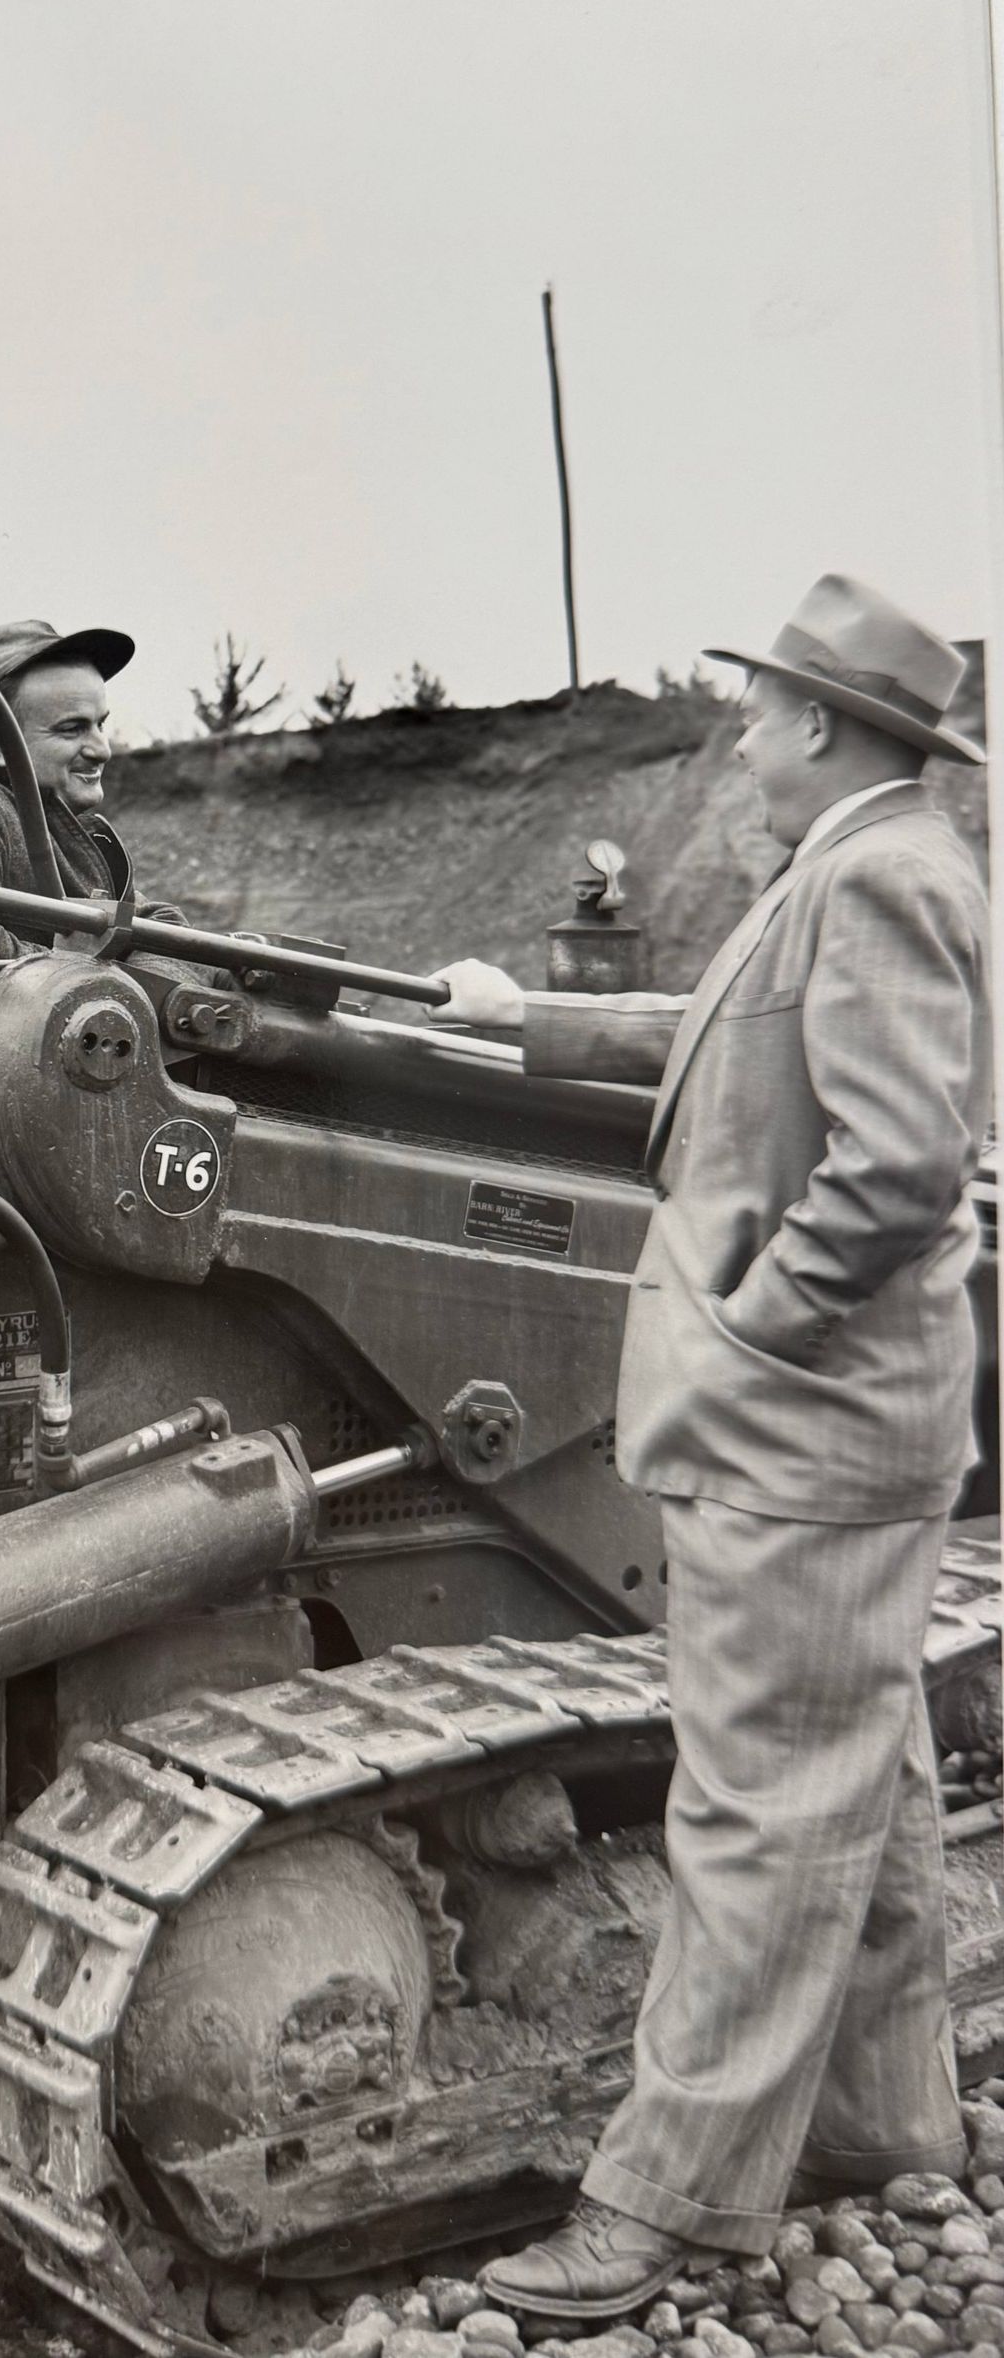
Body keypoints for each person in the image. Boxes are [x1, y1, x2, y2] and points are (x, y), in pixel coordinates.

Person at [427, 575, 991, 2322]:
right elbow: (723, 1045)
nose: (737, 735)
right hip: (832, 1434)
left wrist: (754, 1330)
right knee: (859, 1776)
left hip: (803, 1434)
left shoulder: (885, 876)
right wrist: (513, 1014)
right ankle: (888, 2123)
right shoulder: (843, 866)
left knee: (753, 1807)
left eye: (756, 709)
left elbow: (898, 1168)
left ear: (824, 723)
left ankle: (663, 2205)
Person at [0, 619, 180, 1004]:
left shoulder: (44, 815)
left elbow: (158, 923)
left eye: (100, 724)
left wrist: (134, 989)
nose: (102, 749)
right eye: (72, 729)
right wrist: (100, 984)